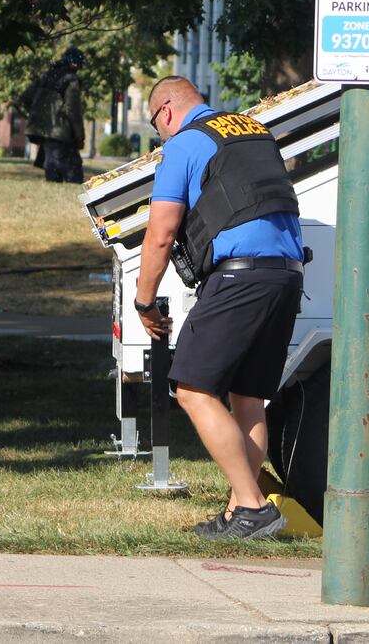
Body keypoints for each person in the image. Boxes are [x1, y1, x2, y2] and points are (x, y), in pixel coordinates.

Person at [133, 76, 303, 542]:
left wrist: (144, 300)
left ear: (165, 111)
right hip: (285, 274)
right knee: (248, 396)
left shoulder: (187, 143)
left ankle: (253, 506)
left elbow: (161, 234)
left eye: (156, 126)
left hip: (239, 278)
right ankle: (238, 514)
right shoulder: (252, 129)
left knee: (192, 388)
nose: (160, 136)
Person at [24, 48, 86, 183]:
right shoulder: (71, 81)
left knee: (52, 168)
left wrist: (38, 115)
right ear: (74, 64)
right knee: (73, 172)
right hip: (61, 133)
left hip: (44, 131)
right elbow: (73, 110)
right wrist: (80, 136)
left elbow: (26, 97)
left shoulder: (46, 76)